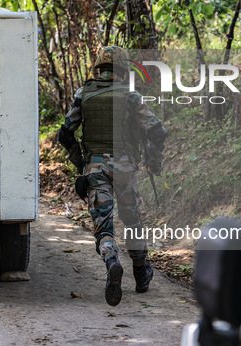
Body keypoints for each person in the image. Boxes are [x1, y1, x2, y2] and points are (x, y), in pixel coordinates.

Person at [58, 46, 167, 306]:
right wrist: (154, 161)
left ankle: (112, 262)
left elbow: (65, 134)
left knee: (103, 226)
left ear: (99, 69)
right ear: (122, 70)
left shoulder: (83, 94)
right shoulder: (131, 97)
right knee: (132, 220)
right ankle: (141, 273)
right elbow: (157, 132)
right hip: (126, 167)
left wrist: (81, 163)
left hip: (96, 167)